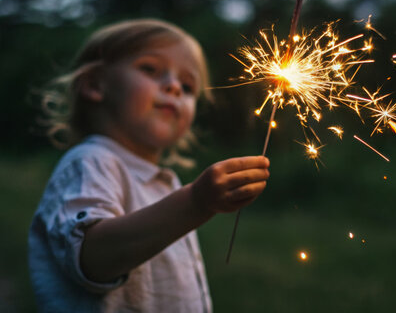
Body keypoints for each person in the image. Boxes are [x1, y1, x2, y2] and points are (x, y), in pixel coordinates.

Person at [28, 19, 270, 312]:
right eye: (150, 69)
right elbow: (93, 258)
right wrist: (196, 203)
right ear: (94, 84)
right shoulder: (93, 162)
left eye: (187, 85)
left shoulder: (166, 182)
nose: (173, 87)